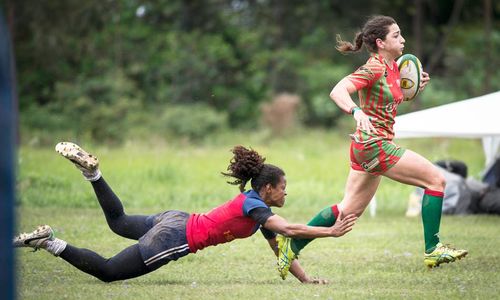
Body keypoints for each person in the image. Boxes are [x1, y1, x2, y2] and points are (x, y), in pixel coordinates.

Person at [276, 15, 468, 279]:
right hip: (373, 145)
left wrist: (413, 88)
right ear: (380, 42)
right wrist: (356, 111)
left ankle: (291, 244)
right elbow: (338, 90)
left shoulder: (393, 68)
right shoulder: (374, 67)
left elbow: (388, 100)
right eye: (396, 35)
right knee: (436, 180)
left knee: (347, 211)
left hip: (368, 145)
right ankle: (433, 248)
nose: (403, 39)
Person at [14, 142, 357, 283]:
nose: (286, 191)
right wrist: (331, 232)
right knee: (107, 272)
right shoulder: (255, 206)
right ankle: (49, 243)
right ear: (268, 189)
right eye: (283, 186)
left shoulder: (256, 209)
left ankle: (94, 175)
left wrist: (306, 279)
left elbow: (280, 247)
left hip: (176, 218)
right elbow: (292, 231)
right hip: (177, 235)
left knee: (118, 222)